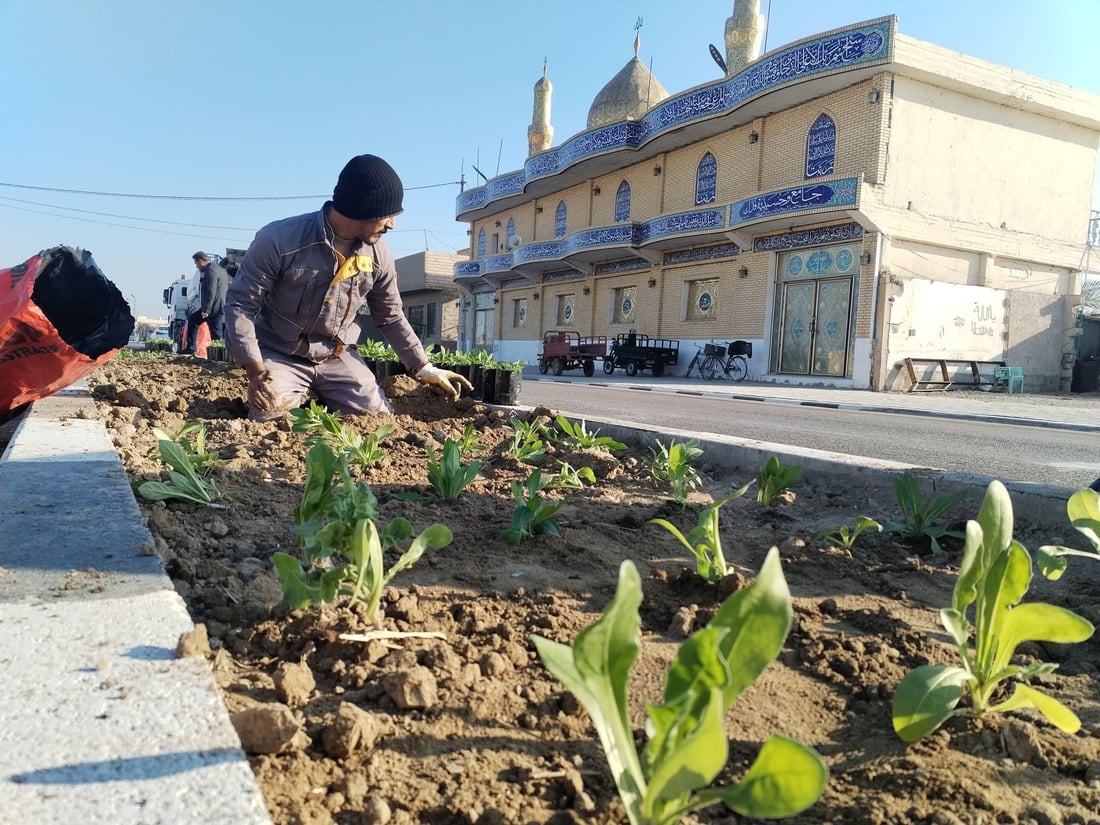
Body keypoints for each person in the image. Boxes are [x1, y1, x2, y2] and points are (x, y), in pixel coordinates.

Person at [224, 153, 472, 420]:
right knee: (270, 416)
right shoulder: (280, 241)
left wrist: (423, 366)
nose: (392, 223)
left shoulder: (378, 255)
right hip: (282, 353)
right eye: (387, 214)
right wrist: (254, 368)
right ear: (362, 208)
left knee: (378, 422)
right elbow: (240, 305)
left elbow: (390, 316)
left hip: (337, 356)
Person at [182, 252, 229, 354]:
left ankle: (191, 348)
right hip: (219, 305)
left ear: (201, 261)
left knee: (194, 321)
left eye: (196, 264)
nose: (197, 267)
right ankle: (219, 353)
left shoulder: (210, 270)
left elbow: (210, 290)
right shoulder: (220, 270)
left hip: (212, 307)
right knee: (215, 332)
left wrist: (206, 309)